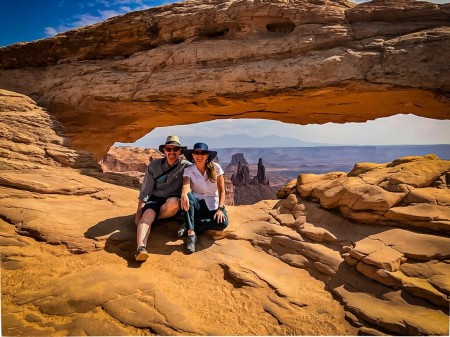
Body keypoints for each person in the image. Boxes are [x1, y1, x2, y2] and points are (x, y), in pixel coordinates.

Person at [135, 135, 189, 262]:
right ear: (164, 151)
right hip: (155, 199)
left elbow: (201, 169)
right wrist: (139, 212)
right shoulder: (154, 166)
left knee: (175, 203)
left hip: (172, 202)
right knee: (147, 214)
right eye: (168, 149)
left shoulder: (185, 166)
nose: (172, 152)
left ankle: (152, 219)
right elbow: (145, 191)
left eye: (175, 149)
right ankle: (140, 248)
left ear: (180, 151)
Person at [180, 142, 228, 253]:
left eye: (203, 153)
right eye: (197, 152)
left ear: (207, 155)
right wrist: (184, 194)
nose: (199, 155)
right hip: (198, 205)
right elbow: (186, 186)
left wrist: (220, 209)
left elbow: (222, 190)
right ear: (193, 155)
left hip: (214, 205)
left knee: (222, 223)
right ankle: (191, 235)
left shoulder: (216, 168)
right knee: (187, 196)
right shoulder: (189, 170)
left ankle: (190, 224)